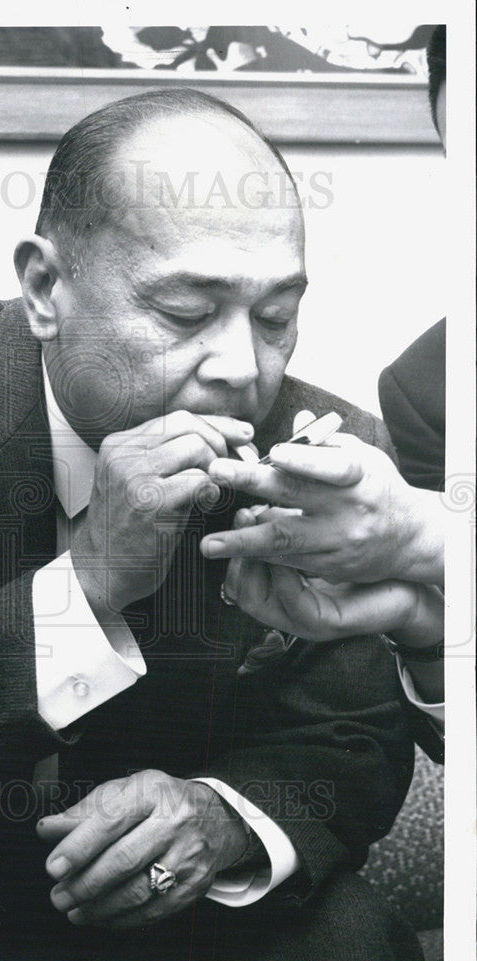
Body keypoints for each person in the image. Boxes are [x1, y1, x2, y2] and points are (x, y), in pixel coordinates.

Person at [0, 88, 422, 961]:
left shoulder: (326, 447)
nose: (244, 367)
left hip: (183, 907)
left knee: (355, 944)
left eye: (276, 316)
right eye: (185, 313)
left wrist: (225, 816)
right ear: (45, 288)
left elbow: (350, 734)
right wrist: (83, 589)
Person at [199, 28, 446, 760]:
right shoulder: (429, 390)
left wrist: (433, 542)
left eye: (273, 317)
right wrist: (425, 623)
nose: (239, 366)